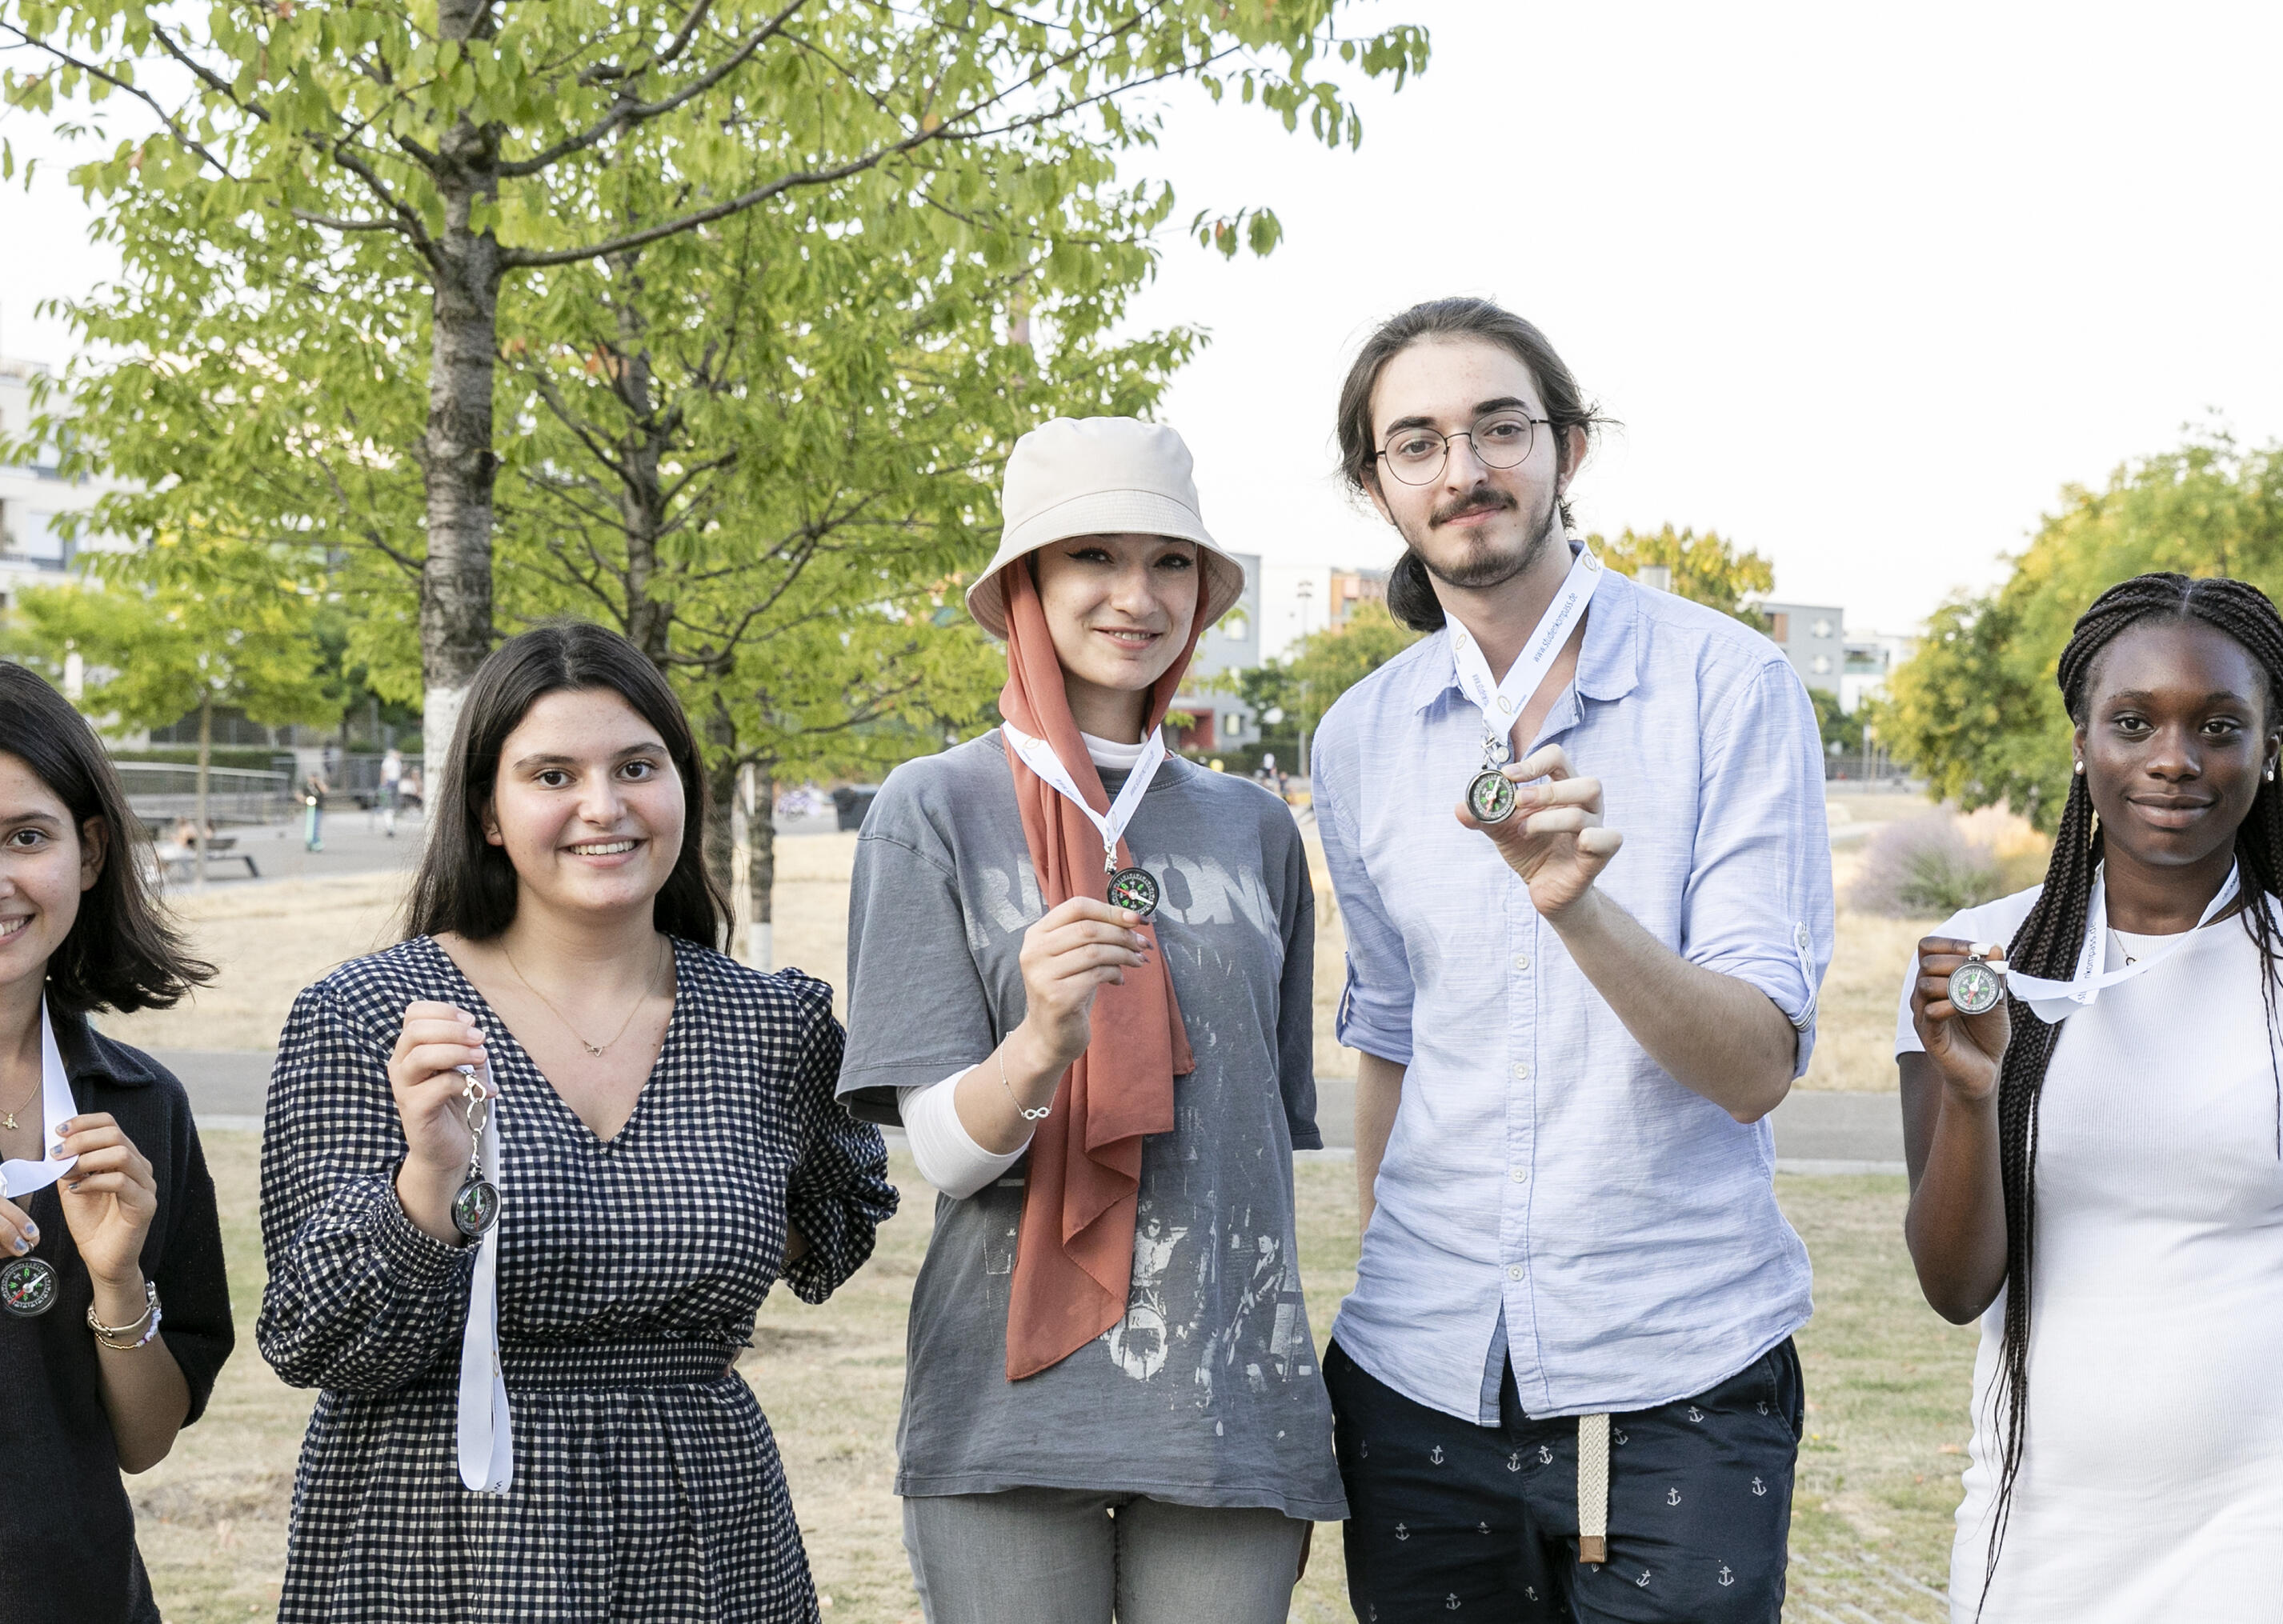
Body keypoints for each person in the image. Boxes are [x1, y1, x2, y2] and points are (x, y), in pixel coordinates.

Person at [1309, 298, 1832, 1621]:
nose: (1464, 469)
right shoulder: (1360, 736)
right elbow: (1390, 1033)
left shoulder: (1731, 686)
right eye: (1415, 443)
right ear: (1378, 486)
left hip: (1680, 1376)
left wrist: (1579, 911)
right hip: (1420, 1381)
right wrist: (1400, 1268)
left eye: (1500, 428)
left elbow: (1759, 1065)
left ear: (1570, 450)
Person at [259, 622, 896, 1622]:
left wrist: (673, 1233)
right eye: (552, 775)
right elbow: (309, 1335)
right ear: (489, 812)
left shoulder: (771, 1024)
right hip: (437, 1531)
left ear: (684, 786)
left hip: (700, 1524)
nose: (603, 806)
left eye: (637, 767)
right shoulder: (372, 1016)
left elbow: (837, 1213)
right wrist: (427, 1183)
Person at [838, 417, 1344, 1624]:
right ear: (1027, 585)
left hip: (1224, 1401)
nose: (1137, 595)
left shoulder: (1256, 829)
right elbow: (950, 1158)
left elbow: (1251, 1140)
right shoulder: (932, 808)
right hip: (1008, 1399)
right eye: (1093, 558)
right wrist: (1040, 1040)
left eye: (1171, 563)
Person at [1898, 574, 2283, 1622]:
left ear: (2267, 748)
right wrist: (1974, 1091)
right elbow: (1952, 1283)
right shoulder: (1976, 963)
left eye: (2218, 725)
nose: (2173, 758)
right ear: (2080, 741)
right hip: (2038, 1518)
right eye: (2132, 721)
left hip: (2261, 1516)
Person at [0, 660, 233, 1622]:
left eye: (27, 835)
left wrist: (117, 1281)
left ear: (90, 850)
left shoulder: (144, 1104)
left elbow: (143, 1441)